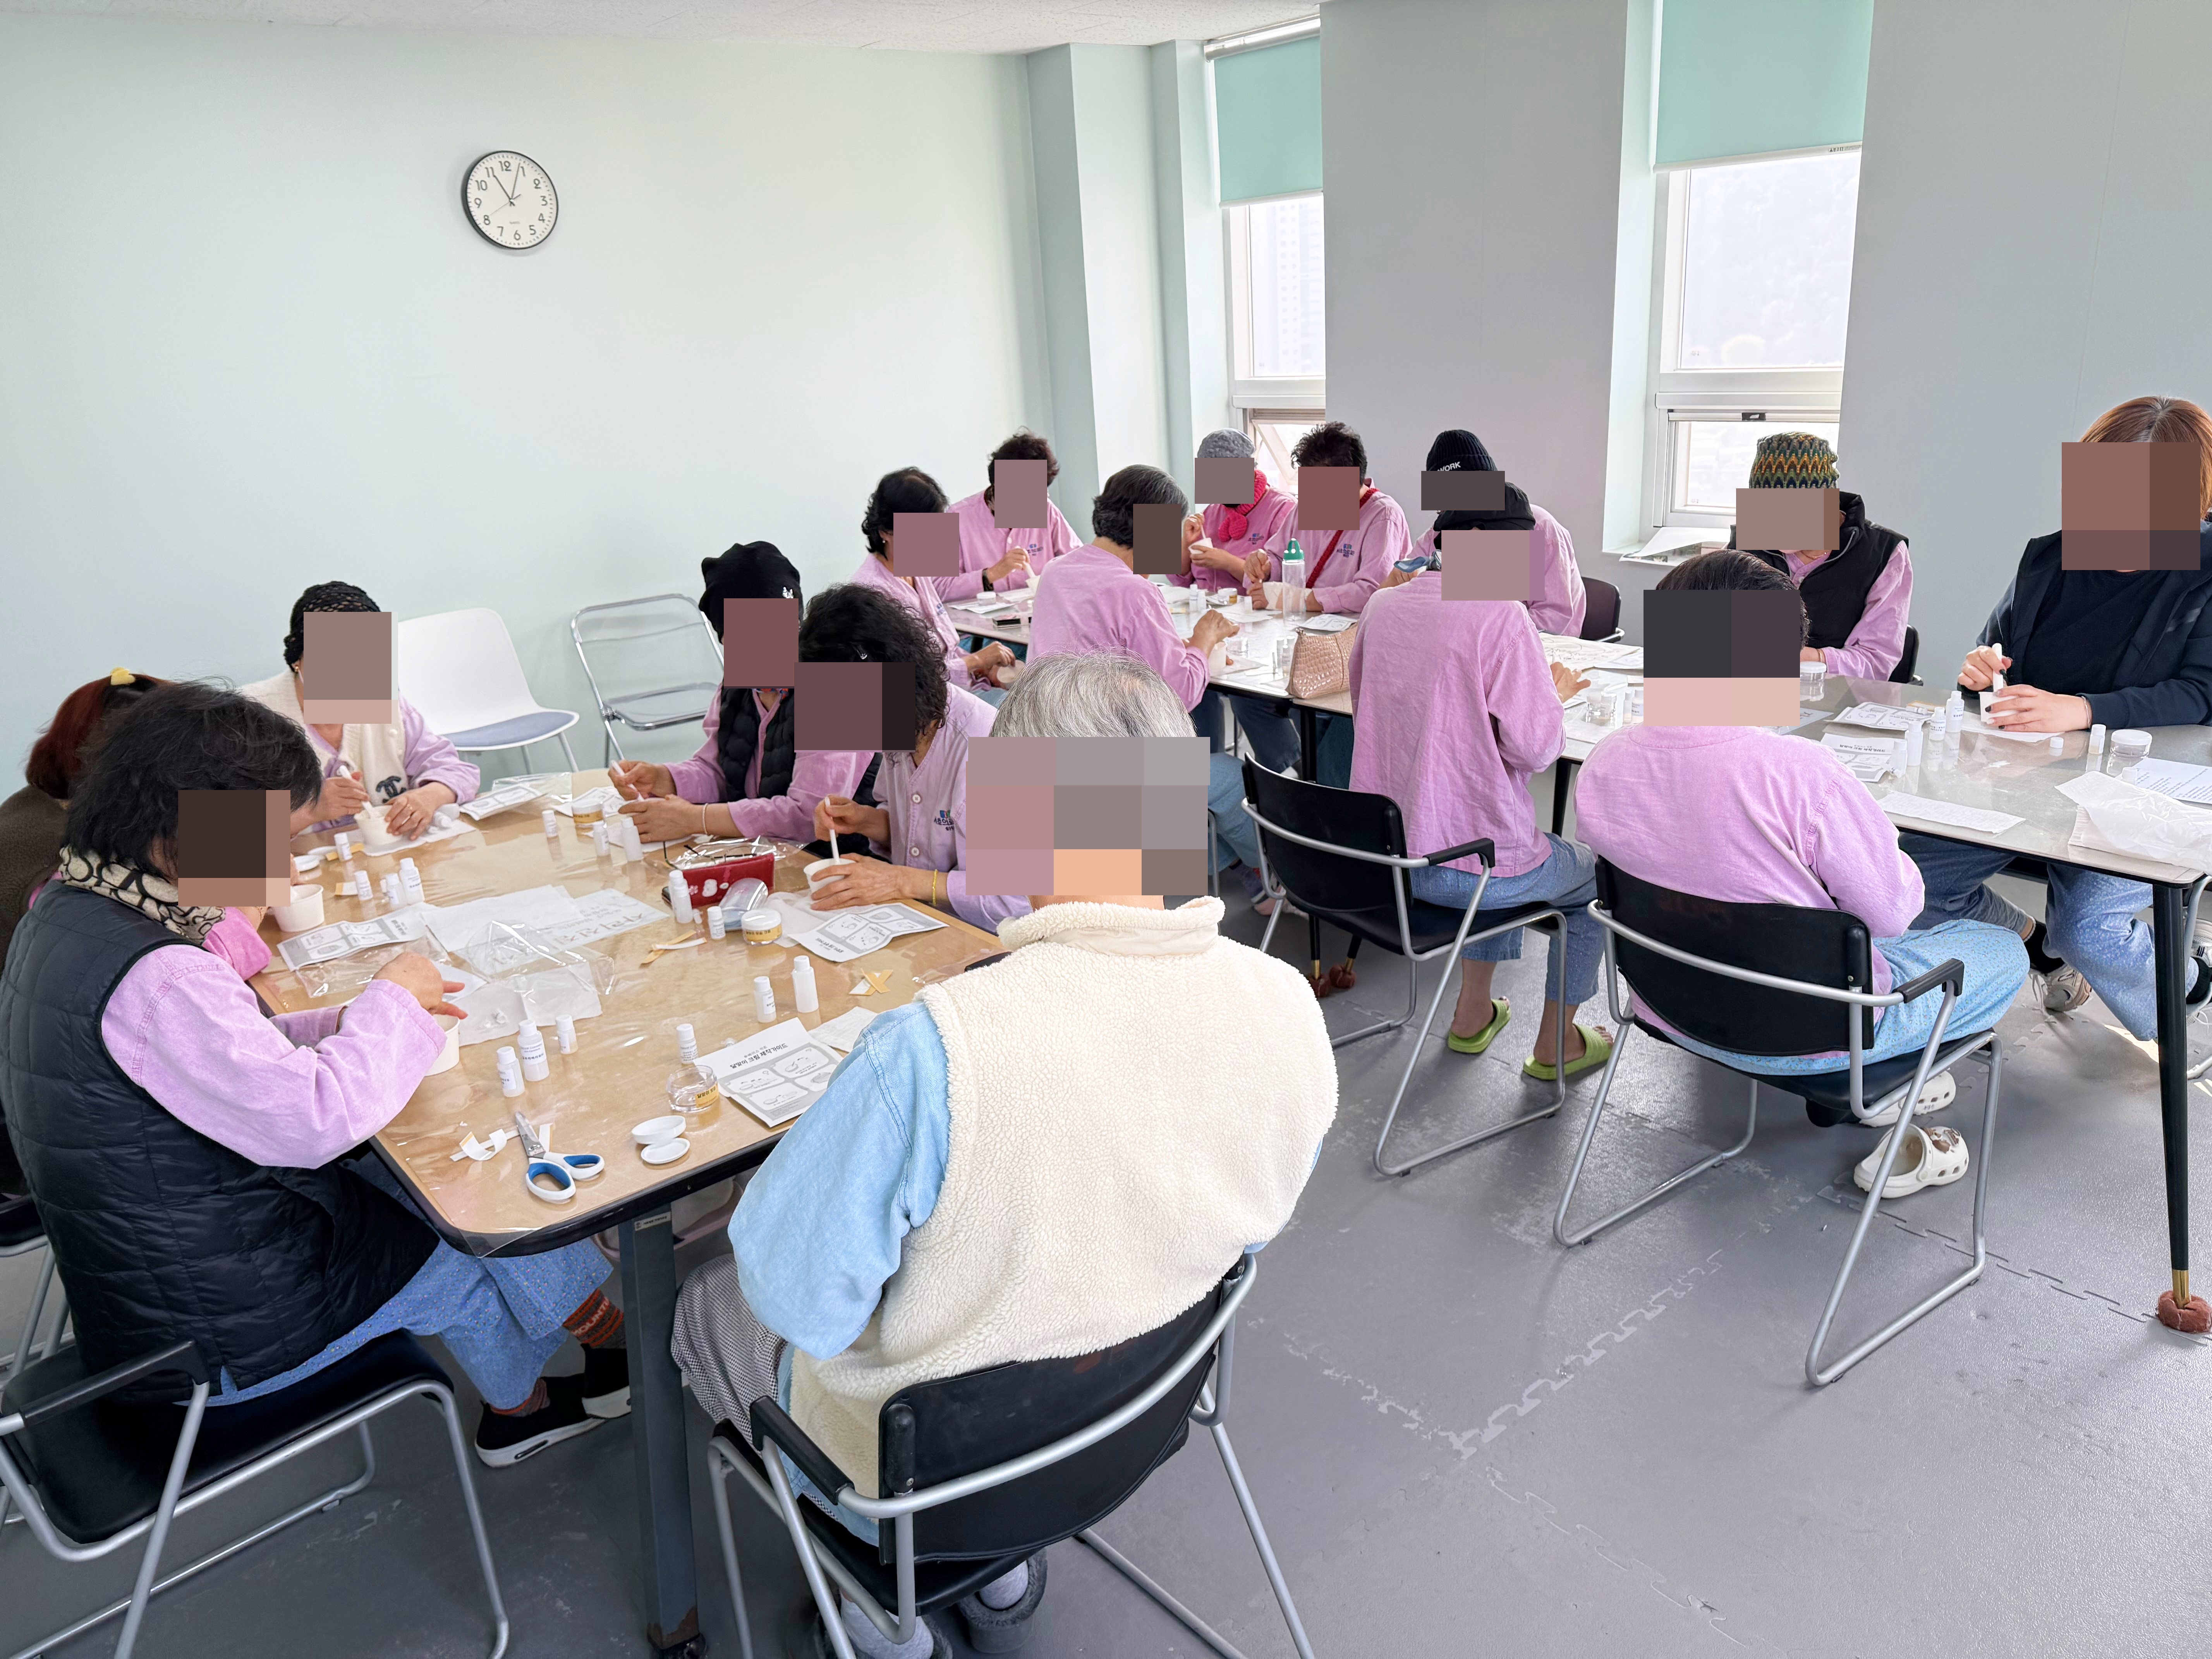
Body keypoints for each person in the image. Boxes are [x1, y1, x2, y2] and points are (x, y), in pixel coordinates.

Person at [669, 652, 1338, 1659]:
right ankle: (1006, 1567)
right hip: (1139, 1414)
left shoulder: (931, 1053)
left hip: (927, 1482)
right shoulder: (1285, 1004)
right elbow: (1246, 1218)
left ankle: (885, 1620)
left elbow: (798, 1303)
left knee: (707, 1303)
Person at [0, 683, 627, 1466]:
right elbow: (316, 1119)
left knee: (420, 1173)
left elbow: (218, 1053)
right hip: (216, 1337)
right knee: (455, 1228)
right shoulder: (158, 973)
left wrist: (347, 1020)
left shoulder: (70, 905)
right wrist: (392, 998)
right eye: (278, 838)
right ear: (200, 824)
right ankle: (524, 1412)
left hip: (157, 1283)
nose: (287, 864)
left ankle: (592, 1338)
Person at [1576, 551, 2027, 1118]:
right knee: (2001, 949)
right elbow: (1894, 913)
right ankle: (1894, 1088)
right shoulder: (1803, 774)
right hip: (1818, 1036)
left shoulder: (1605, 761)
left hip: (1667, 1006)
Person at [1912, 395, 2212, 1032]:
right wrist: (1983, 673)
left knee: (2090, 929)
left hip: (2142, 788)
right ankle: (2037, 947)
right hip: (2028, 777)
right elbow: (1997, 655)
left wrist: (2080, 710)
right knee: (1907, 884)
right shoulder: (2049, 559)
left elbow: (2199, 693)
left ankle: (2188, 987)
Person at [1346, 546, 1609, 1078]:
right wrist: (1548, 697)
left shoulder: (1381, 605)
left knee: (1497, 834)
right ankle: (1557, 1043)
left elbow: (1364, 706)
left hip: (1384, 864)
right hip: (1466, 874)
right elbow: (1537, 750)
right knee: (1591, 877)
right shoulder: (1501, 613)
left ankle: (1473, 1013)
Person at [1025, 463, 1265, 882]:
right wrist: (1204, 639)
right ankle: (1274, 878)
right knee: (1233, 778)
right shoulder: (1134, 592)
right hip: (1106, 766)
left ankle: (1241, 876)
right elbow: (1179, 695)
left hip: (1046, 747)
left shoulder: (1056, 572)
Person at [798, 584, 1029, 933]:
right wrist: (865, 821)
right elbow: (923, 831)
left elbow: (1017, 900)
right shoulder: (906, 724)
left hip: (996, 942)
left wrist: (901, 882)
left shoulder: (997, 747)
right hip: (926, 924)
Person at [611, 541, 872, 842]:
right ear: (725, 639)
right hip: (770, 851)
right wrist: (663, 779)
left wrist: (695, 819)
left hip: (852, 858)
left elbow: (811, 817)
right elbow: (721, 773)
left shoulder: (846, 685)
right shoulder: (735, 687)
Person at [241, 581, 480, 838]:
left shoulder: (387, 707)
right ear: (298, 659)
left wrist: (429, 796)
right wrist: (310, 811)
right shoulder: (249, 717)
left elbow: (456, 770)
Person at [1731, 431, 1912, 681]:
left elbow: (1875, 662)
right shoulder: (1746, 541)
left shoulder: (1884, 553)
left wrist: (1805, 658)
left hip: (1835, 694)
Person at [1391, 429, 1587, 637]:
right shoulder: (1434, 538)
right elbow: (1408, 595)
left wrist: (1483, 635)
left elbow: (1553, 621)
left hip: (1542, 647)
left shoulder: (1540, 531)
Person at [851, 467, 1018, 706]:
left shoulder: (916, 571)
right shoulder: (871, 595)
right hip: (928, 707)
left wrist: (982, 669)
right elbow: (910, 681)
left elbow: (946, 651)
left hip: (960, 690)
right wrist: (976, 661)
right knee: (1028, 715)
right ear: (885, 531)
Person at [1246, 420, 1410, 617]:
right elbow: (1280, 557)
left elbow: (1372, 591)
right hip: (1300, 623)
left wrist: (1296, 599)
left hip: (1353, 627)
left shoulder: (1383, 516)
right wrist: (1265, 566)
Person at [939, 430, 1082, 601]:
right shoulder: (956, 516)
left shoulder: (1047, 511)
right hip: (979, 617)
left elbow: (1079, 565)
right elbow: (938, 588)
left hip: (1039, 613)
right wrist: (991, 575)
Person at [1176, 427, 1296, 596]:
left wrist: (1228, 563)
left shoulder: (1283, 509)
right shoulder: (1212, 512)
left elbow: (1284, 584)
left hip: (1250, 607)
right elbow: (1181, 581)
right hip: (1203, 604)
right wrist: (1186, 543)